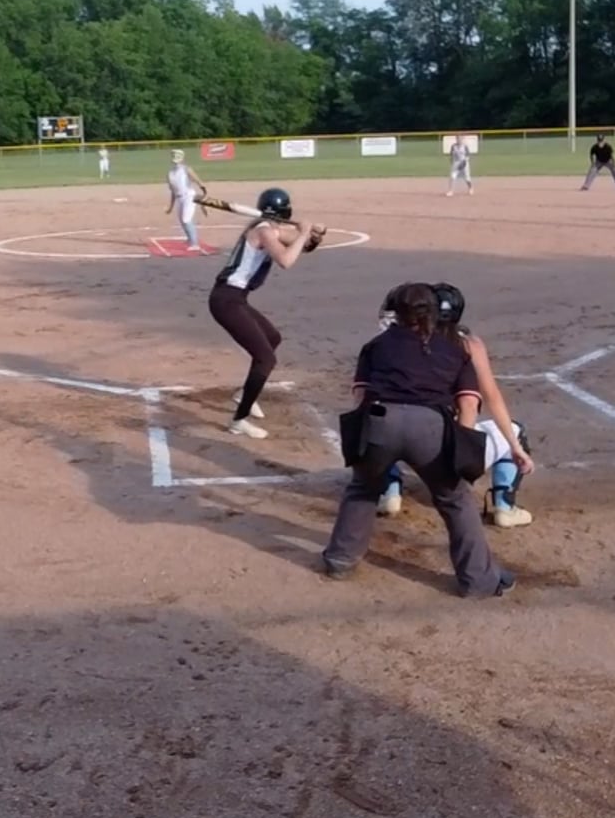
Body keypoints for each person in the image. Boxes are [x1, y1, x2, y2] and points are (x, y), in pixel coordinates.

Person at [321, 283, 533, 596]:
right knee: (455, 500)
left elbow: (360, 396)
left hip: (380, 421)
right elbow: (468, 404)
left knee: (362, 487)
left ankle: (340, 559)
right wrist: (463, 454)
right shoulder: (456, 348)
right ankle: (479, 580)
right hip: (430, 429)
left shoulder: (376, 345)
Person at [375, 283, 533, 528]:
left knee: (386, 422)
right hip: (440, 450)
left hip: (401, 448)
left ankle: (390, 491)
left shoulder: (402, 341)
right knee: (517, 431)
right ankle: (504, 506)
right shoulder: (469, 345)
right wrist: (464, 458)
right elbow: (479, 401)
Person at [207, 187, 322, 440]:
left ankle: (243, 394)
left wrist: (314, 236)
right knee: (266, 359)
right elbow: (286, 260)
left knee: (272, 338)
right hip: (226, 300)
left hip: (235, 298)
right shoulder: (263, 231)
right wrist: (304, 232)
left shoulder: (271, 229)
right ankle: (238, 421)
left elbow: (303, 246)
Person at [163, 148, 209, 254]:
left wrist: (204, 195)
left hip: (189, 196)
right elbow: (173, 192)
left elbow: (199, 181)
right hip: (179, 198)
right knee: (182, 220)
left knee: (186, 219)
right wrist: (170, 207)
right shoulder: (170, 174)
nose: (177, 162)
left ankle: (194, 244)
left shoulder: (186, 169)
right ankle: (189, 239)